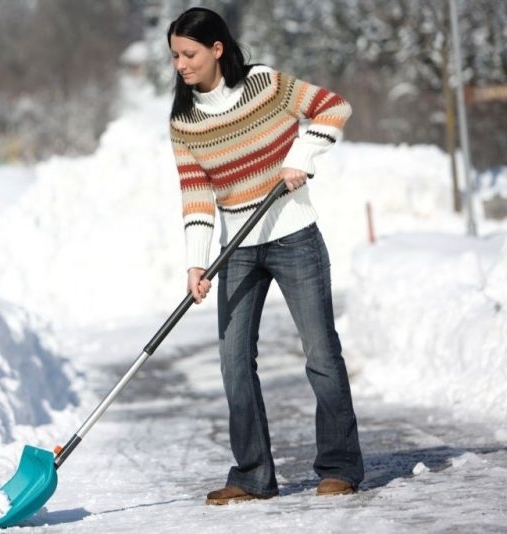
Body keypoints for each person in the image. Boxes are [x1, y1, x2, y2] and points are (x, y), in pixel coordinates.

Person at [166, 7, 364, 504]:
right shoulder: (184, 120)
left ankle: (339, 466)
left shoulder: (265, 85)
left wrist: (300, 159)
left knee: (320, 354)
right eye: (174, 56)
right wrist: (196, 261)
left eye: (189, 54)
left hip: (294, 234)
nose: (181, 65)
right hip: (237, 248)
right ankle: (253, 474)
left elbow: (333, 107)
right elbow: (195, 194)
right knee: (234, 362)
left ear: (217, 48)